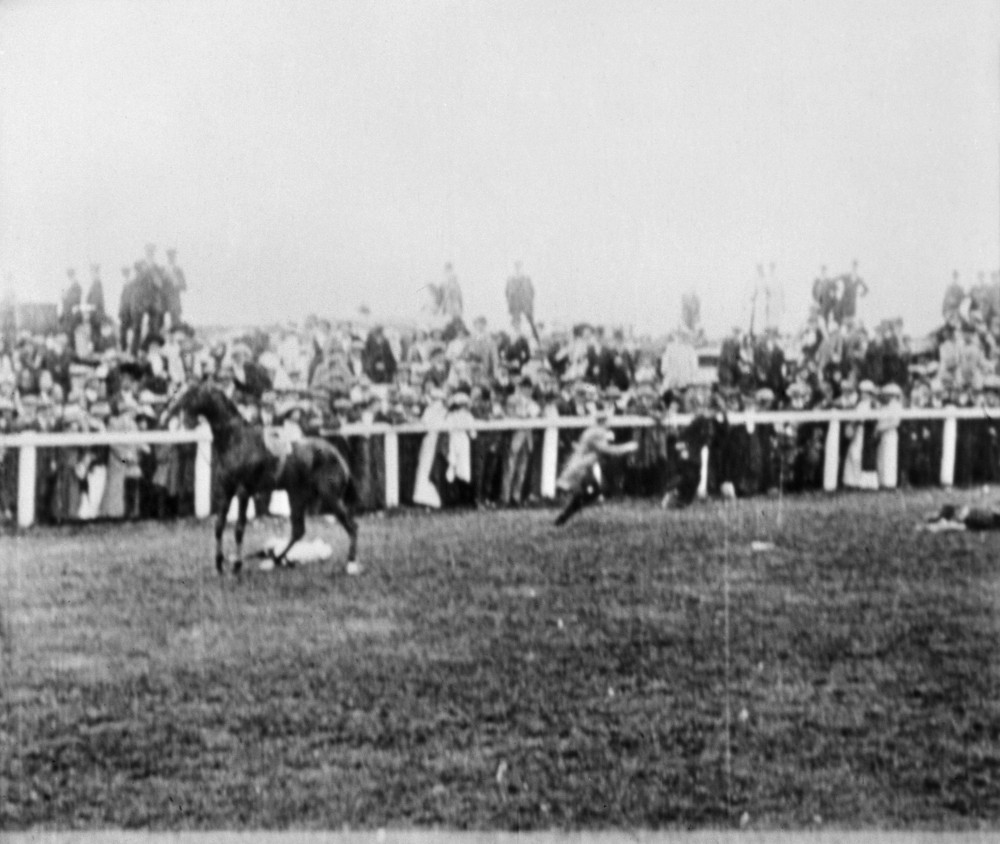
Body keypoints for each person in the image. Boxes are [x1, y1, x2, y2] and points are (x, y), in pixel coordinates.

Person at [553, 408, 637, 526]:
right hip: (580, 468)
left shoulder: (595, 431)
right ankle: (564, 516)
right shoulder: (596, 433)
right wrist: (627, 447)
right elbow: (607, 450)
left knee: (591, 492)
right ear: (604, 421)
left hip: (584, 466)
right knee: (591, 492)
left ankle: (564, 517)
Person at [85, 263, 105, 351]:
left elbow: (95, 302)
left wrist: (88, 312)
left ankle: (98, 353)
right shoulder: (95, 283)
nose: (91, 275)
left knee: (96, 335)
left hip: (96, 314)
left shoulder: (97, 283)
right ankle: (97, 352)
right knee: (95, 335)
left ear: (96, 273)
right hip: (95, 314)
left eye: (93, 272)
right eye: (91, 272)